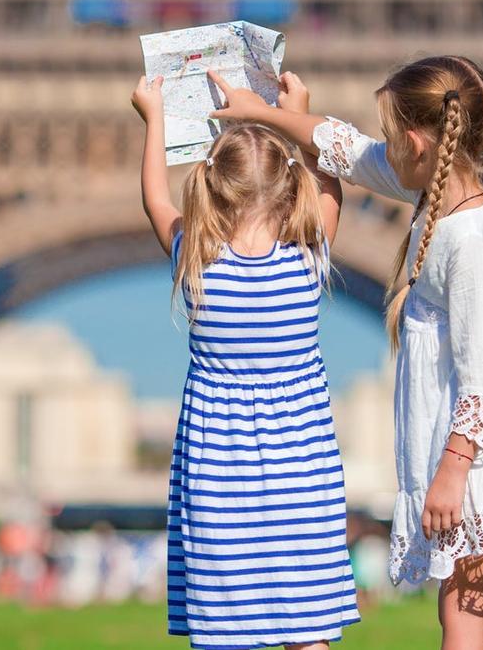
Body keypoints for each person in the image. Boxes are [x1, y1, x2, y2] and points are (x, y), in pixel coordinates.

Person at [208, 56, 483, 648]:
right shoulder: (439, 189)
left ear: (415, 143)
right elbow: (350, 153)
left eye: (391, 137)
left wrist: (452, 472)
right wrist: (270, 114)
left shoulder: (472, 240)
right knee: (475, 619)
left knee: (464, 620)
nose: (384, 148)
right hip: (479, 448)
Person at [131, 73, 360, 650]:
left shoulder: (196, 262)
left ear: (213, 189)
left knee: (226, 631)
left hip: (217, 478)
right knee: (308, 631)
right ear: (287, 191)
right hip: (302, 475)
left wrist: (156, 118)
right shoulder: (307, 261)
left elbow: (157, 201)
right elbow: (330, 193)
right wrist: (298, 114)